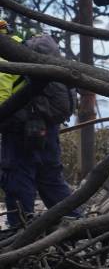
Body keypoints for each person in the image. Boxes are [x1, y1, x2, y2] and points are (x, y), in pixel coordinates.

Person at [0, 27, 77, 228]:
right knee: (51, 179)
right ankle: (77, 225)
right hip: (46, 127)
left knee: (17, 179)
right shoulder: (19, 44)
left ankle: (19, 233)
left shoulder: (4, 55)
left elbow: (1, 98)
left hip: (20, 130)